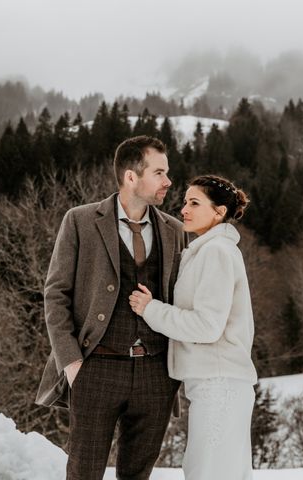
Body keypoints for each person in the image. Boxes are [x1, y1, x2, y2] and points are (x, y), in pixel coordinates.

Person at [36, 135, 188, 480]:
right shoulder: (80, 221)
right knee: (83, 473)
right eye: (160, 172)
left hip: (155, 374)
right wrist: (71, 363)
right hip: (96, 367)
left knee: (138, 475)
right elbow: (55, 294)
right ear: (132, 176)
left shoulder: (175, 231)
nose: (168, 181)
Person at [129, 174, 258, 480]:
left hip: (220, 385)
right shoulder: (206, 251)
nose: (184, 209)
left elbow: (207, 326)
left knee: (206, 473)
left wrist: (152, 310)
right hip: (216, 383)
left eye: (195, 203)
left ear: (219, 212)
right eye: (185, 201)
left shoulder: (216, 252)